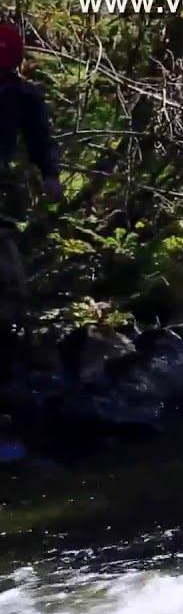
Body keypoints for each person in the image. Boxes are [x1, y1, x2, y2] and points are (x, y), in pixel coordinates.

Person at [0, 22, 62, 376]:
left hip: (2, 185)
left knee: (9, 272)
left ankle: (16, 345)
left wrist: (50, 175)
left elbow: (40, 138)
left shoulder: (24, 96)